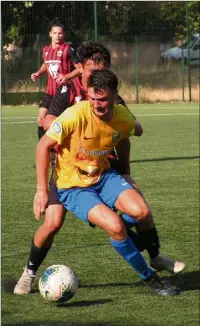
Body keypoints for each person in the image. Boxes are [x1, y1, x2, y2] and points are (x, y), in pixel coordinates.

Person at [14, 42, 184, 295]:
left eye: (102, 99)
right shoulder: (73, 106)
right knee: (56, 223)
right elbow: (44, 138)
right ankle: (29, 273)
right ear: (82, 73)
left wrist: (125, 171)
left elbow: (128, 132)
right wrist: (40, 190)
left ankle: (151, 252)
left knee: (141, 211)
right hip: (68, 179)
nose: (96, 104)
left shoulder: (122, 113)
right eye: (92, 97)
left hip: (101, 174)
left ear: (114, 96)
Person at [31, 23, 80, 141]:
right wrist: (38, 73)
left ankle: (59, 150)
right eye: (55, 33)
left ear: (64, 35)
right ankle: (44, 150)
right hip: (49, 91)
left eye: (60, 33)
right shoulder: (45, 50)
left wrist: (66, 76)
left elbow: (80, 68)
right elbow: (46, 63)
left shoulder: (68, 50)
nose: (57, 36)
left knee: (56, 122)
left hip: (64, 92)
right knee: (41, 119)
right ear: (50, 34)